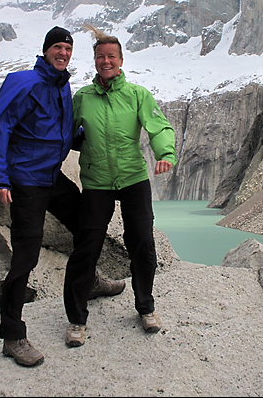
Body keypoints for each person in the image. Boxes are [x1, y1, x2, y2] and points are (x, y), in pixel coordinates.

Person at [0, 26, 125, 367]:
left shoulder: (62, 85)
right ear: (46, 50)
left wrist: (86, 136)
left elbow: (57, 130)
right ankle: (12, 336)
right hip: (25, 180)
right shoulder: (24, 83)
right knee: (26, 255)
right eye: (57, 47)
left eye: (67, 48)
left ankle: (88, 280)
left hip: (50, 177)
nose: (63, 53)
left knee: (86, 222)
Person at [63, 25, 177, 348]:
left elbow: (159, 126)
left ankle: (146, 307)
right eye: (101, 56)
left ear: (121, 60)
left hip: (133, 179)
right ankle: (76, 319)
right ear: (95, 61)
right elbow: (66, 134)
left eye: (111, 56)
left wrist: (165, 153)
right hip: (97, 182)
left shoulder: (137, 95)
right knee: (86, 247)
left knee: (142, 241)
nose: (106, 61)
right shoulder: (82, 98)